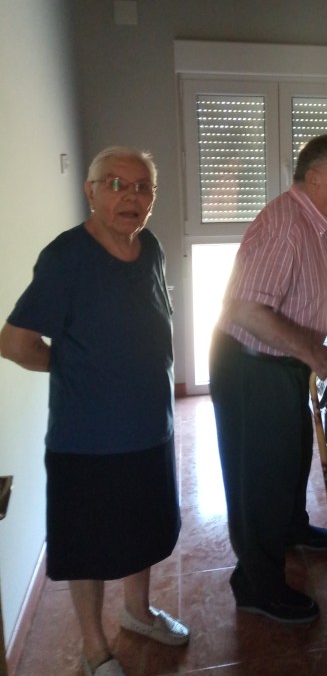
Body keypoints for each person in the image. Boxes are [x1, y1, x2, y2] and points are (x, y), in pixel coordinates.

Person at [0, 147, 189, 676]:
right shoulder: (66, 258)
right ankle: (94, 648)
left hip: (150, 428)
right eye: (116, 184)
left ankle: (138, 612)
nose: (131, 197)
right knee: (88, 544)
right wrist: (73, 368)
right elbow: (14, 343)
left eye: (142, 187)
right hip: (87, 439)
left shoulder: (151, 248)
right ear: (90, 191)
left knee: (142, 529)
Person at [209, 134, 327, 625]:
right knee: (261, 478)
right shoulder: (285, 225)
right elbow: (247, 311)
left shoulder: (315, 221)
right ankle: (256, 585)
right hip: (252, 364)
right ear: (314, 179)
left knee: (292, 455)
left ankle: (291, 527)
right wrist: (313, 352)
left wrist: (305, 355)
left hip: (281, 361)